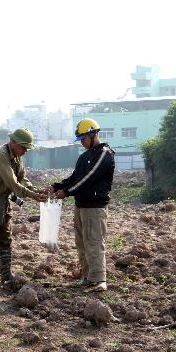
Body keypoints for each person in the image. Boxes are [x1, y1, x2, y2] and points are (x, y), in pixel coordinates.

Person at [46, 118, 115, 292]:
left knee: (94, 242)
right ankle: (87, 276)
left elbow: (88, 179)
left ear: (93, 134)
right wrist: (57, 186)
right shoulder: (84, 157)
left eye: (84, 139)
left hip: (94, 207)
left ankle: (99, 279)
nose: (82, 143)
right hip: (81, 206)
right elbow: (75, 177)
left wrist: (67, 192)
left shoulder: (104, 154)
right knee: (82, 243)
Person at [0, 128, 48, 286]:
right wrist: (33, 196)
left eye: (27, 148)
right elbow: (13, 183)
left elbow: (22, 178)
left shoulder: (17, 156)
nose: (25, 151)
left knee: (5, 239)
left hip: (3, 201)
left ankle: (6, 275)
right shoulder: (0, 154)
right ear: (13, 142)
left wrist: (36, 190)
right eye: (24, 147)